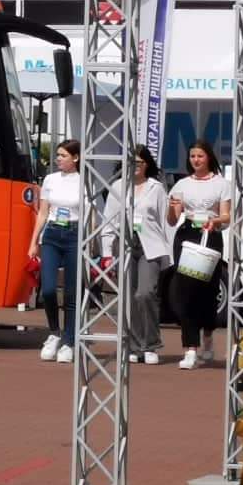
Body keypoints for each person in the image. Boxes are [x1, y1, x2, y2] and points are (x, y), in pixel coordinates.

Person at [98, 146, 172, 365]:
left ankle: (151, 344)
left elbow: (166, 222)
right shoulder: (118, 187)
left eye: (139, 162)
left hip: (150, 245)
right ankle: (134, 345)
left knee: (145, 293)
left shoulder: (156, 188)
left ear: (147, 164)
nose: (135, 166)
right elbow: (109, 221)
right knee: (128, 297)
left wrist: (169, 254)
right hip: (125, 244)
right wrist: (107, 253)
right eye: (131, 163)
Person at [167, 139, 232, 369]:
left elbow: (227, 216)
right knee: (185, 292)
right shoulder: (182, 184)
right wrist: (172, 207)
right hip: (187, 236)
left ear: (209, 157)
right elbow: (173, 219)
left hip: (211, 235)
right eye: (192, 156)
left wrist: (215, 221)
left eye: (200, 156)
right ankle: (190, 349)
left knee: (208, 290)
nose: (196, 160)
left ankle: (208, 335)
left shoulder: (221, 184)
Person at [30, 140, 83, 364]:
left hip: (74, 234)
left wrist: (90, 244)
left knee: (71, 292)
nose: (58, 159)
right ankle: (54, 332)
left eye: (63, 155)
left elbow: (89, 214)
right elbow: (43, 212)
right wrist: (34, 241)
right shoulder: (50, 179)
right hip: (52, 234)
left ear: (76, 158)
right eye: (58, 155)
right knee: (49, 289)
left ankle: (69, 341)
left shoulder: (84, 181)